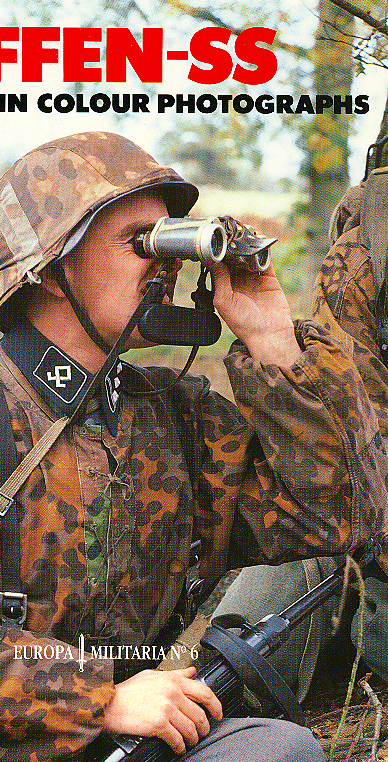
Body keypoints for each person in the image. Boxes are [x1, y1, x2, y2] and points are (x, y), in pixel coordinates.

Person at [0, 131, 388, 762]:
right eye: (140, 242)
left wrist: (273, 338)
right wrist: (98, 698)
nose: (167, 264)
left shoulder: (178, 417)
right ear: (53, 268)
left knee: (276, 750)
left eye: (171, 239)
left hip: (115, 748)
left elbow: (334, 519)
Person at [207, 184, 388, 702]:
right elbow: (357, 458)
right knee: (230, 675)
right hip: (369, 526)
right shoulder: (368, 256)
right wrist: (274, 345)